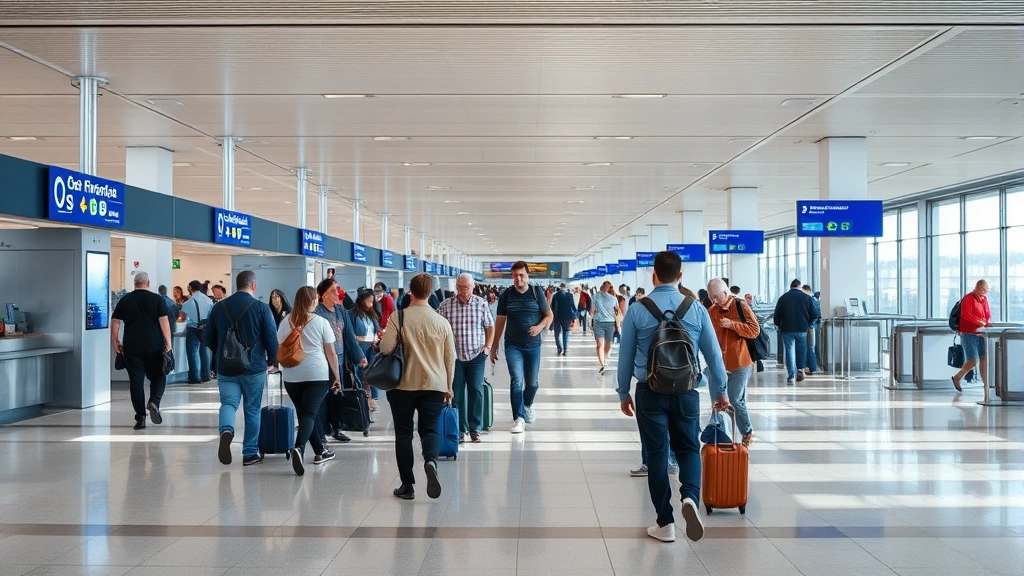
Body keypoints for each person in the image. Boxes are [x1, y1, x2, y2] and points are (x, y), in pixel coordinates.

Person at [617, 251, 731, 543]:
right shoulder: (696, 308)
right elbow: (714, 356)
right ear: (680, 276)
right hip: (686, 391)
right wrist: (721, 392)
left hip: (650, 392)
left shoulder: (637, 309)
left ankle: (665, 524)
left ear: (653, 275)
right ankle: (690, 497)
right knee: (689, 449)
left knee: (656, 455)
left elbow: (625, 358)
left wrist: (623, 393)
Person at [381, 273, 456, 500]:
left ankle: (407, 486)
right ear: (431, 293)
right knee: (430, 429)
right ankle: (431, 462)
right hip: (434, 385)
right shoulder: (442, 322)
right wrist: (449, 386)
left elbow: (385, 349)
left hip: (402, 385)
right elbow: (450, 358)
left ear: (410, 292)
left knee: (404, 434)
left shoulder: (398, 317)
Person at [204, 271, 279, 467]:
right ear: (253, 285)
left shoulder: (218, 307)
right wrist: (272, 360)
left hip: (226, 367)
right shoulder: (262, 308)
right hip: (253, 367)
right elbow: (271, 338)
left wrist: (222, 352)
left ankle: (227, 431)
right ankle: (249, 453)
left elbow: (208, 337)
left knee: (228, 403)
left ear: (236, 284)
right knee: (252, 409)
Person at [277, 286, 341, 475]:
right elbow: (331, 352)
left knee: (305, 414)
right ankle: (299, 448)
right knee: (310, 415)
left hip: (291, 375)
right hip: (316, 374)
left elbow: (280, 344)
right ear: (312, 301)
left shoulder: (285, 321)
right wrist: (336, 376)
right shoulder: (320, 322)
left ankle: (321, 452)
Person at [490, 260, 553, 434]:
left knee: (532, 384)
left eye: (521, 275)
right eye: (515, 276)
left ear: (527, 276)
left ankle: (527, 405)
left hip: (533, 346)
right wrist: (494, 346)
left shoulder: (536, 292)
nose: (518, 279)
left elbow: (549, 315)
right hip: (513, 345)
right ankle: (518, 418)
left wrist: (539, 327)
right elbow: (500, 322)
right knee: (516, 380)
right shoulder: (506, 295)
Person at [111, 272, 174, 430]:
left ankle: (140, 417)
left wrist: (115, 341)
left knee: (136, 381)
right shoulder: (157, 299)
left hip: (132, 345)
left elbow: (115, 322)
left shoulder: (125, 300)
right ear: (148, 283)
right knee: (159, 376)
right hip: (154, 344)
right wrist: (168, 342)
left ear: (135, 283)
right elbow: (164, 322)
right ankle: (154, 401)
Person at [438, 273, 495, 443]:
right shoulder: (445, 306)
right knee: (456, 393)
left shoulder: (481, 304)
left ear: (473, 287)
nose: (463, 291)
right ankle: (460, 428)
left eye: (467, 287)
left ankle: (475, 428)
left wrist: (487, 348)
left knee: (476, 391)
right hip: (454, 357)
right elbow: (438, 328)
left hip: (476, 355)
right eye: (460, 287)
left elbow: (490, 327)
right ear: (456, 287)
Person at [707, 278, 760, 447]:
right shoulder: (712, 311)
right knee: (718, 400)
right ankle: (723, 434)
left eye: (716, 297)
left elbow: (754, 330)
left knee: (736, 399)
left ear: (725, 292)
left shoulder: (741, 306)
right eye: (711, 298)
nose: (714, 301)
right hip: (719, 365)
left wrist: (732, 325)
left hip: (741, 362)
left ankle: (747, 431)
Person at [315, 279, 368, 443]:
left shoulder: (341, 311)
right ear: (323, 294)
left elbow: (349, 337)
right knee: (324, 398)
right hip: (323, 362)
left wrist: (360, 356)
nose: (337, 293)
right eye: (333, 290)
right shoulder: (317, 312)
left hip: (339, 362)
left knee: (338, 396)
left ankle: (337, 428)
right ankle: (323, 430)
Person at [773, 279, 820, 385]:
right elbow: (815, 314)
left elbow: (777, 315)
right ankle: (800, 369)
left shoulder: (783, 298)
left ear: (790, 287)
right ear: (799, 287)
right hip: (802, 328)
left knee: (789, 351)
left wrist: (778, 325)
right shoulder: (807, 298)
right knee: (801, 349)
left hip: (786, 329)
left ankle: (791, 375)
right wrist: (809, 324)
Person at [953, 279, 993, 392]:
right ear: (979, 288)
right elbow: (966, 316)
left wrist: (987, 323)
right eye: (985, 290)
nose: (987, 293)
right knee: (973, 360)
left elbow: (988, 314)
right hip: (968, 333)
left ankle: (986, 384)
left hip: (981, 333)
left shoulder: (984, 299)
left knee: (984, 358)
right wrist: (981, 323)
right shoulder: (968, 298)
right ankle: (957, 377)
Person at [351, 289, 382, 412]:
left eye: (372, 301)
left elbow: (376, 329)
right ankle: (363, 396)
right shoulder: (353, 315)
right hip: (359, 344)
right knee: (359, 372)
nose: (370, 304)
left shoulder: (371, 315)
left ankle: (373, 397)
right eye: (368, 301)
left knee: (372, 371)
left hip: (371, 345)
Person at [183, 280, 214, 383]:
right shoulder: (209, 300)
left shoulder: (189, 302)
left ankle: (195, 377)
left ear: (191, 288)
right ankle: (206, 375)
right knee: (205, 351)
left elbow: (183, 317)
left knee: (193, 352)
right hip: (206, 327)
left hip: (193, 328)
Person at [590, 281, 618, 375]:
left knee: (606, 343)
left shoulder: (613, 298)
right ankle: (602, 363)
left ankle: (604, 359)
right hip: (600, 322)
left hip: (609, 322)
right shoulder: (596, 297)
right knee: (601, 343)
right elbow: (617, 311)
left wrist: (591, 314)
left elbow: (617, 311)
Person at [550, 283, 577, 357]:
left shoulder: (555, 295)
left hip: (557, 317)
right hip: (567, 317)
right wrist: (575, 316)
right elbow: (573, 306)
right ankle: (565, 349)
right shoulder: (570, 295)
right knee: (566, 333)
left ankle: (559, 348)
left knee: (557, 333)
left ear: (560, 287)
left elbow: (552, 307)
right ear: (565, 287)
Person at [801, 285, 821, 376]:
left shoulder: (809, 300)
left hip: (809, 326)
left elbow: (815, 314)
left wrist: (810, 324)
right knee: (811, 347)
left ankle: (810, 368)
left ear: (806, 290)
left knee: (808, 347)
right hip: (812, 325)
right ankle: (812, 368)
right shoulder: (814, 300)